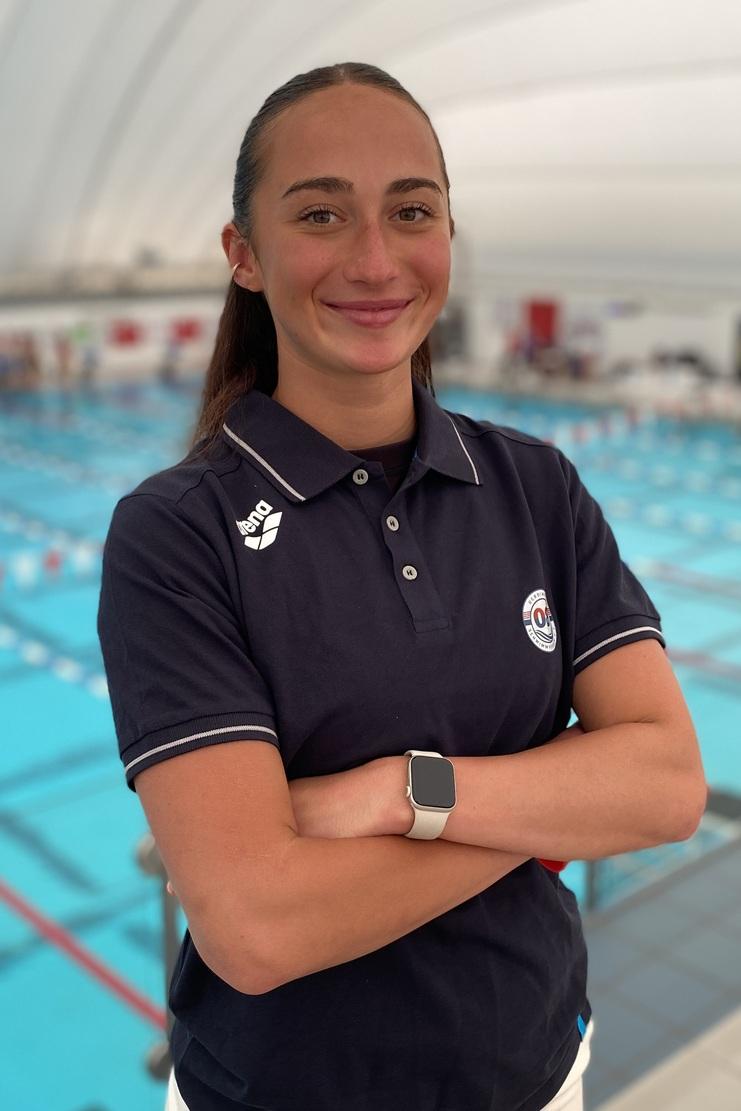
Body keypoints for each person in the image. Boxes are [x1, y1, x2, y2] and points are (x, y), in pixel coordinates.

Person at [96, 62, 707, 1111]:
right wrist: (552, 801)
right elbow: (256, 928)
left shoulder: (537, 486)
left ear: (450, 237)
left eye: (411, 210)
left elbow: (667, 786)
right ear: (245, 254)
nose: (375, 259)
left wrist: (403, 794)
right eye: (321, 212)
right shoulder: (175, 535)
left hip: (542, 1075)